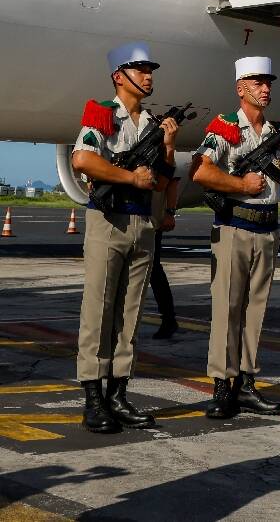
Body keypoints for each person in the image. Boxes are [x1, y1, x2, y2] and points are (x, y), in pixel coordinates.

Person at [71, 41, 180, 433]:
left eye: (151, 69)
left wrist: (167, 145)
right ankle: (93, 398)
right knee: (99, 310)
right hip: (108, 220)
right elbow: (82, 159)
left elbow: (163, 180)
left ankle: (118, 392)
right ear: (120, 76)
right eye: (140, 69)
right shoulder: (102, 115)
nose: (149, 75)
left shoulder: (151, 125)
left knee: (129, 313)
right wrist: (130, 176)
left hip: (141, 223)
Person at [191, 57, 280, 419]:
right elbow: (200, 171)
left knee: (255, 312)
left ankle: (247, 383)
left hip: (267, 228)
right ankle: (222, 387)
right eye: (257, 82)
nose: (265, 88)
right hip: (235, 227)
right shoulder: (225, 128)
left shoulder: (274, 133)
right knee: (227, 310)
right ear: (241, 88)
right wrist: (241, 184)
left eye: (267, 82)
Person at [150, 177, 179, 339]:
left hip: (152, 222)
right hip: (126, 218)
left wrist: (170, 212)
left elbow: (173, 181)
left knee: (154, 271)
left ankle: (168, 318)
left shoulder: (162, 152)